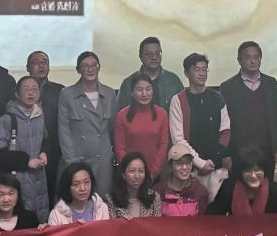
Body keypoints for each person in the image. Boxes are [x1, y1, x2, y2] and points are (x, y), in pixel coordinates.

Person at [168, 53, 231, 198]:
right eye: (197, 70)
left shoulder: (217, 97)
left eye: (204, 69)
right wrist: (200, 163)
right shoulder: (178, 100)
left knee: (216, 207)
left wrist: (213, 161)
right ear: (186, 73)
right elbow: (178, 138)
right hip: (189, 168)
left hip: (215, 166)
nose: (202, 74)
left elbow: (225, 131)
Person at [0, 75, 51, 221]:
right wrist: (26, 161)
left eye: (34, 89)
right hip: (17, 179)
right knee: (22, 219)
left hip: (39, 178)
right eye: (26, 89)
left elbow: (45, 140)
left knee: (41, 221)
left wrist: (44, 152)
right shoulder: (7, 119)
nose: (31, 93)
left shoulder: (40, 114)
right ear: (17, 94)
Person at [59, 51, 117, 198]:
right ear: (78, 70)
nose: (90, 69)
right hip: (78, 159)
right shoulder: (67, 94)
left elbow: (112, 129)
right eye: (85, 66)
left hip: (103, 161)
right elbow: (64, 130)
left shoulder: (110, 94)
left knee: (102, 203)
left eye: (94, 65)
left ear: (99, 67)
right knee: (76, 202)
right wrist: (71, 161)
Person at [219, 41, 277, 163]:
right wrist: (225, 153)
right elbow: (223, 123)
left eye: (256, 57)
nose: (253, 61)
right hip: (238, 152)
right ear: (239, 60)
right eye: (248, 57)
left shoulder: (271, 83)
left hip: (267, 150)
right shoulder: (228, 87)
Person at [113, 74, 170, 180]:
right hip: (130, 175)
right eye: (139, 90)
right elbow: (120, 148)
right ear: (132, 93)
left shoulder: (162, 114)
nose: (144, 94)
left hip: (155, 174)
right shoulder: (121, 116)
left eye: (148, 89)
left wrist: (152, 173)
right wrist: (131, 171)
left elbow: (163, 146)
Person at [206, 146, 277, 215]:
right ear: (240, 173)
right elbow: (212, 217)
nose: (253, 175)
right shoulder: (229, 189)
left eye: (257, 170)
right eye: (248, 171)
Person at [26, 50, 65, 201]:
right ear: (28, 67)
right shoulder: (19, 90)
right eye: (36, 63)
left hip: (55, 152)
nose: (41, 66)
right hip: (27, 152)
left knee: (53, 193)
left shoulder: (60, 91)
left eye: (44, 62)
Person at [116, 37, 184, 111]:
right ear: (140, 56)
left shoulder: (174, 80)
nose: (154, 57)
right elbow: (120, 113)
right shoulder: (128, 83)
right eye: (149, 54)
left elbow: (183, 109)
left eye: (158, 53)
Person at [155, 142, 212, 217]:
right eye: (179, 163)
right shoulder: (158, 191)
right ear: (170, 165)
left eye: (188, 162)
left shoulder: (201, 192)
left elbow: (201, 222)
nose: (185, 167)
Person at [107, 152, 163, 219]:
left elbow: (157, 224)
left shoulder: (154, 197)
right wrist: (121, 222)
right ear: (123, 174)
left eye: (141, 171)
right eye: (132, 171)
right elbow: (111, 224)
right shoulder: (112, 199)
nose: (137, 176)